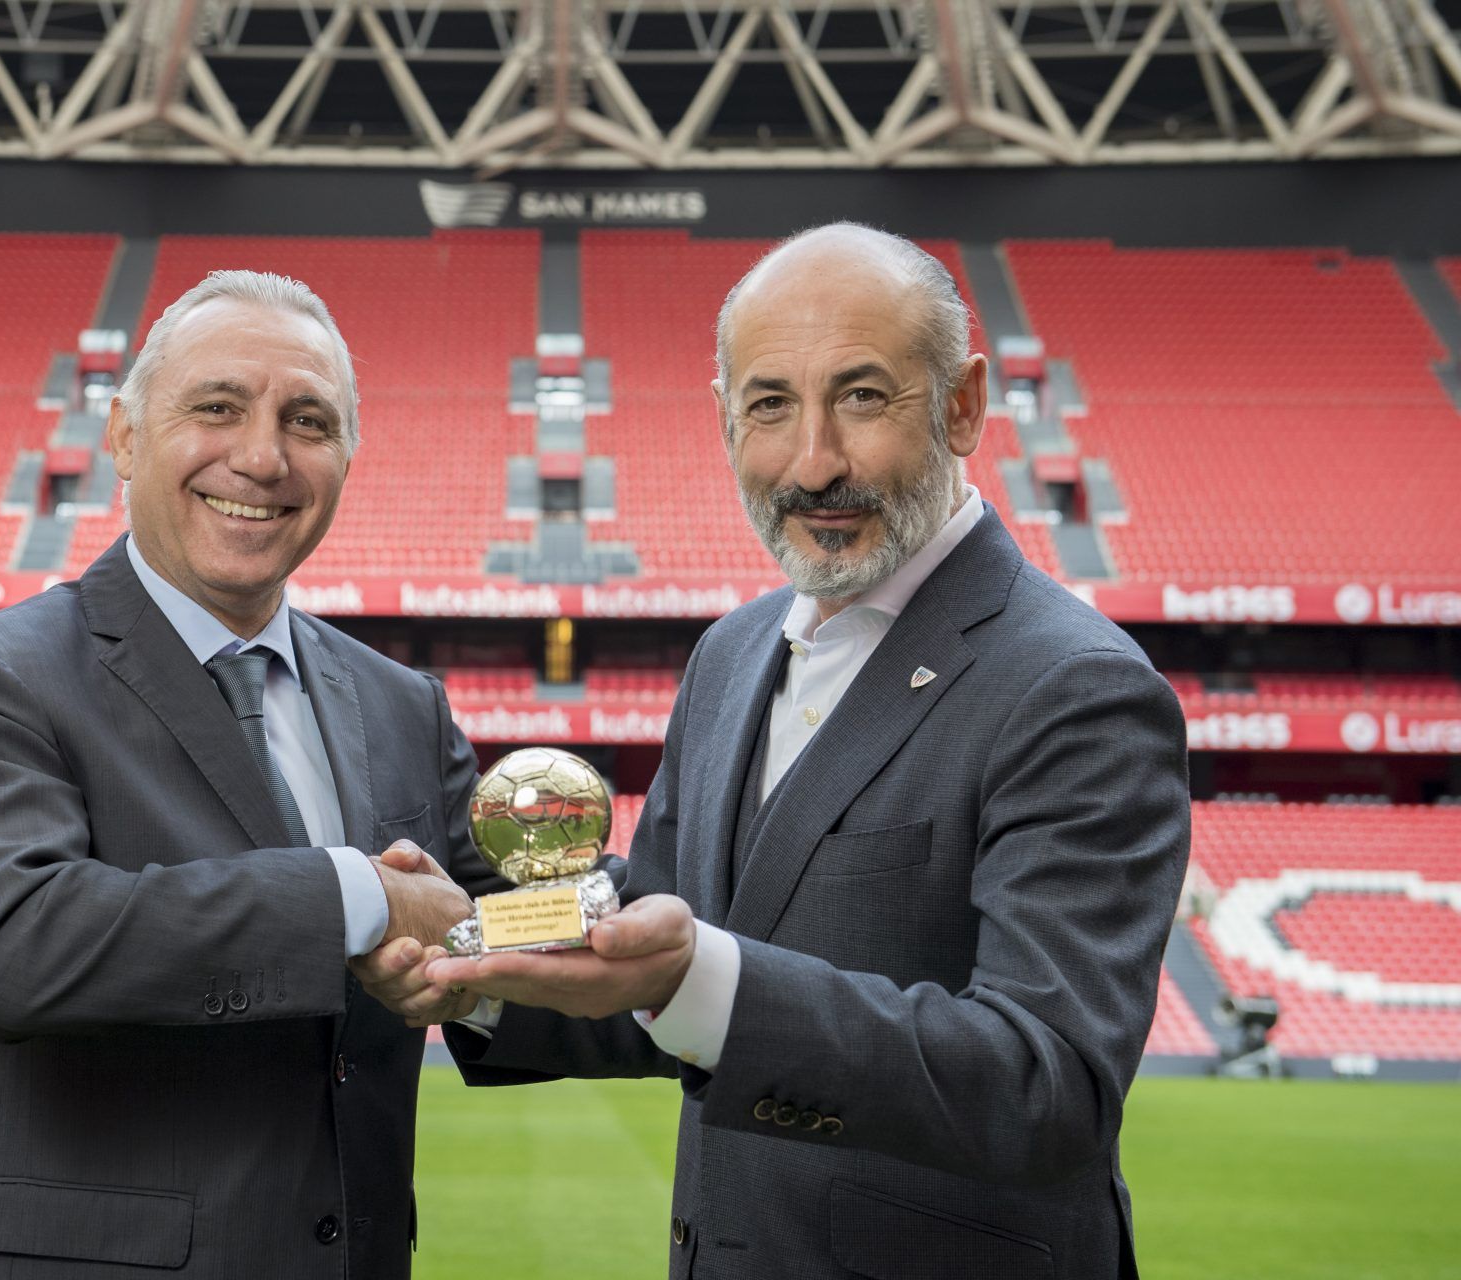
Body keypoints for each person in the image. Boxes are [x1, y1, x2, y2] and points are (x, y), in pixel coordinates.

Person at [361, 223, 1191, 1279]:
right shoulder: (734, 652)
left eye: (862, 396)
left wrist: (710, 976)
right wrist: (473, 945)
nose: (814, 462)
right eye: (769, 405)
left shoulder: (1075, 687)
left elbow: (1046, 1081)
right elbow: (646, 921)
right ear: (723, 419)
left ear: (965, 404)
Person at [0, 270, 502, 1279]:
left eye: (308, 421)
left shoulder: (403, 705)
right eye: (217, 407)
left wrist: (599, 952)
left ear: (348, 457)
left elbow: (475, 927)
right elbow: (19, 941)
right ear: (126, 437)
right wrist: (359, 895)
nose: (262, 456)